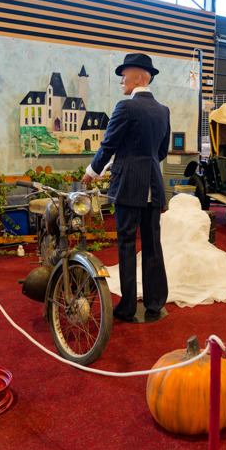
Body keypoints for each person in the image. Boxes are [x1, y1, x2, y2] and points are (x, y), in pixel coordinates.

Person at [81, 53, 170, 322]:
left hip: (129, 186)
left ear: (139, 77)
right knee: (153, 245)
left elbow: (108, 145)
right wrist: (134, 161)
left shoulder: (125, 107)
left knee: (127, 245)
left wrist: (92, 172)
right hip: (153, 184)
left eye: (124, 76)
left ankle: (128, 306)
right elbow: (161, 152)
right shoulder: (163, 110)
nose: (121, 81)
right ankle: (155, 302)